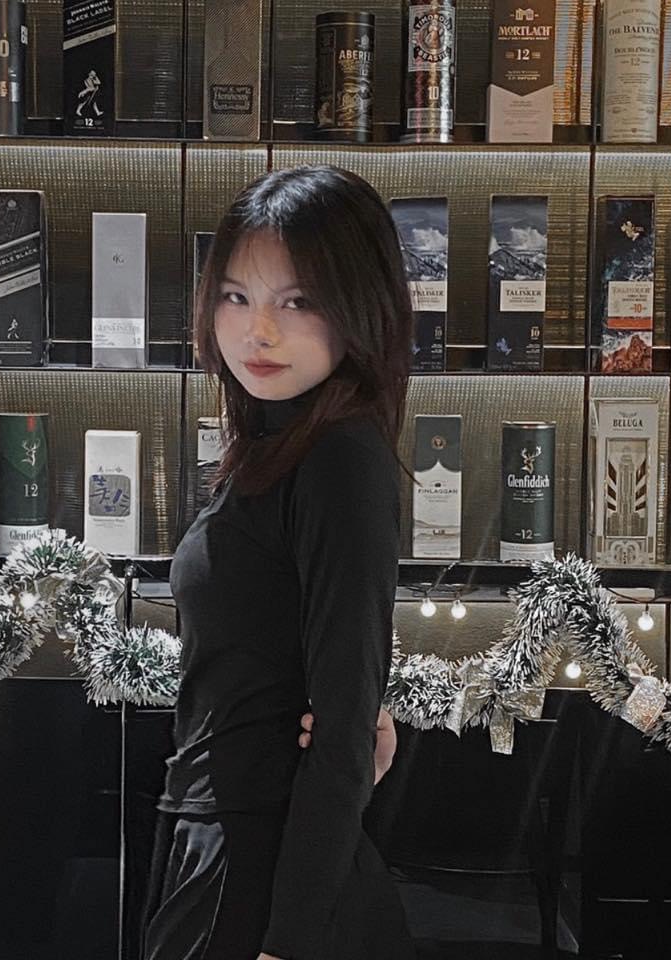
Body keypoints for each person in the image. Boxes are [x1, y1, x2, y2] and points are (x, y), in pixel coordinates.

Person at [141, 164, 416, 960]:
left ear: (360, 308)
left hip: (259, 867)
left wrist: (287, 943)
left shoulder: (341, 458)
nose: (257, 331)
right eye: (236, 296)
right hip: (218, 834)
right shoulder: (270, 444)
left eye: (296, 302)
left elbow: (343, 727)